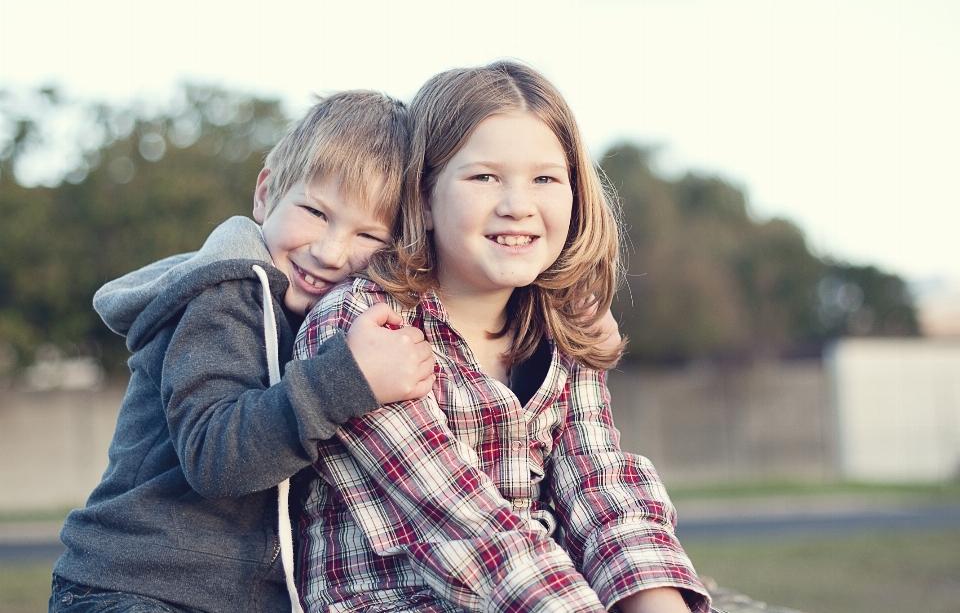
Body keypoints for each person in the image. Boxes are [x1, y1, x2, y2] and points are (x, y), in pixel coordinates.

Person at [294, 62, 713, 613]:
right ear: (422, 197)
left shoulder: (564, 326)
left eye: (545, 178)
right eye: (484, 177)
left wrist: (657, 602)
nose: (518, 203)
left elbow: (600, 486)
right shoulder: (367, 327)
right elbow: (460, 522)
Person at [50, 91, 437, 613]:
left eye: (369, 234)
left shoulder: (317, 320)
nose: (330, 251)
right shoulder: (226, 294)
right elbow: (216, 458)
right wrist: (345, 380)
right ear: (266, 193)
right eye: (316, 212)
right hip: (138, 587)